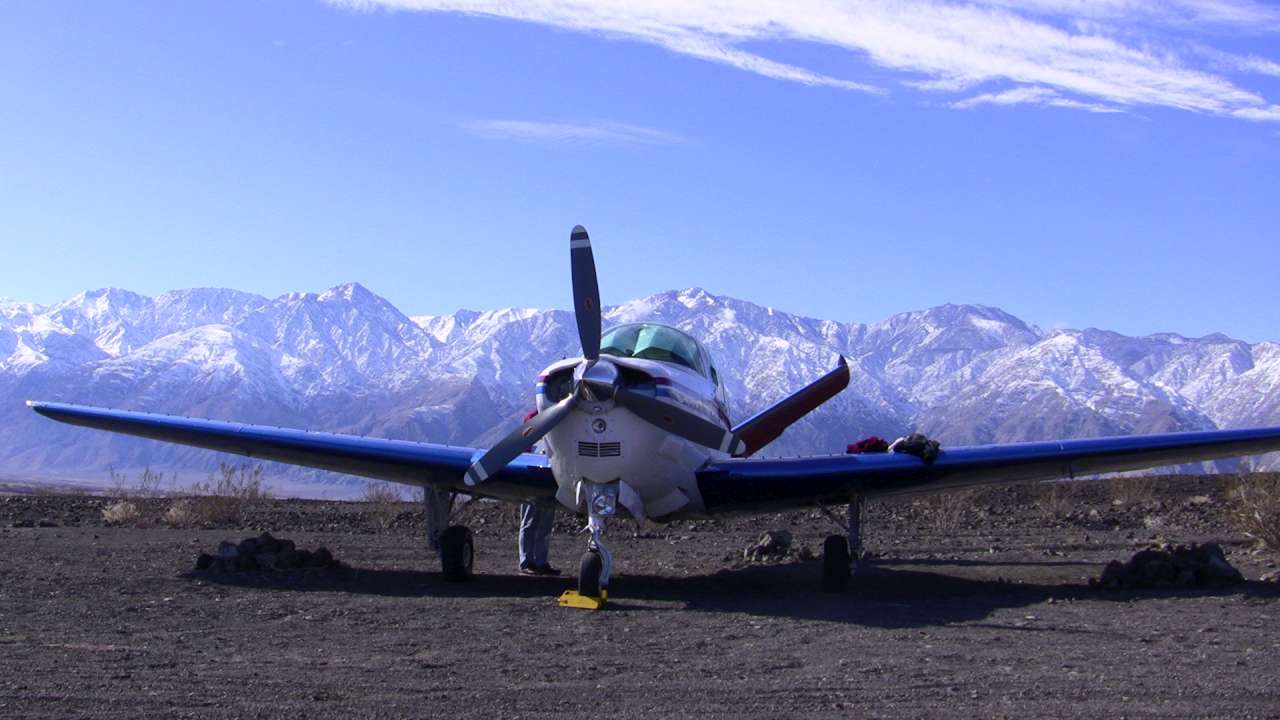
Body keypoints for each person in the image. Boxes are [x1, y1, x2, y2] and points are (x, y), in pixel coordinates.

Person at [518, 408, 559, 575]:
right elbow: (524, 445)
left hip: (553, 475)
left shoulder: (561, 416)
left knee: (545, 523)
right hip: (533, 475)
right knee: (530, 522)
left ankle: (541, 561)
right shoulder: (532, 417)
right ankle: (526, 561)